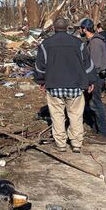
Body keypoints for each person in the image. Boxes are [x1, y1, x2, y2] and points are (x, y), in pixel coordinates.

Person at [35, 17, 96, 153]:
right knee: (75, 115)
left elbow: (40, 66)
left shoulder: (46, 44)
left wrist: (41, 81)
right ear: (67, 27)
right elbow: (87, 64)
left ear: (54, 28)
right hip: (75, 85)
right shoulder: (78, 43)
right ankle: (76, 143)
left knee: (57, 116)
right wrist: (91, 81)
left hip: (54, 85)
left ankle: (61, 143)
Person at [79, 18, 106, 136]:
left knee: (95, 103)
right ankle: (93, 126)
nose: (79, 30)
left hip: (96, 77)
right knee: (89, 102)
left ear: (85, 29)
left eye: (81, 28)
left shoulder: (95, 42)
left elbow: (95, 64)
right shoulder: (92, 41)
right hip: (94, 76)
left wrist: (89, 79)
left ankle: (103, 132)